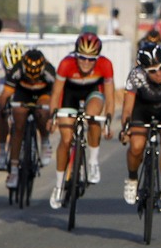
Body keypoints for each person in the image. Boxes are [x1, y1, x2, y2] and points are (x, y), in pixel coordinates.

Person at [47, 33, 115, 209]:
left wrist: (108, 120)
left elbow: (110, 95)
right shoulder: (66, 63)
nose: (86, 63)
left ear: (97, 58)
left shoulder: (105, 65)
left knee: (93, 116)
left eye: (91, 59)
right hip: (70, 95)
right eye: (82, 58)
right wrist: (53, 116)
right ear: (76, 54)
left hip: (93, 93)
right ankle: (59, 185)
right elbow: (56, 94)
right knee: (66, 139)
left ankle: (92, 161)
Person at [119, 41, 161, 211]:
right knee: (136, 146)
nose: (159, 74)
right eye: (153, 71)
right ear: (144, 71)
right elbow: (127, 109)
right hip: (141, 110)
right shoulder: (135, 76)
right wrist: (125, 129)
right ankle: (133, 178)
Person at [0, 49, 56, 189]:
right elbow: (6, 93)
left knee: (43, 111)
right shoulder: (16, 69)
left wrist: (54, 115)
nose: (32, 79)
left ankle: (44, 140)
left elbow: (57, 94)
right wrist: (2, 110)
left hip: (43, 94)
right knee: (18, 127)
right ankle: (13, 171)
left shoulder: (50, 71)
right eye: (29, 75)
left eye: (36, 76)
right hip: (23, 94)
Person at [0, 40, 23, 170]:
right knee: (0, 104)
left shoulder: (26, 63)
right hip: (6, 88)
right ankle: (2, 152)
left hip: (22, 88)